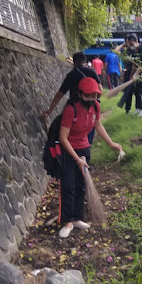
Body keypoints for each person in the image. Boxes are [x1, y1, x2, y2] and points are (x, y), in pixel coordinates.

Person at [57, 77, 123, 238]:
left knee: (81, 185)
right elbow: (63, 138)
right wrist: (77, 159)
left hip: (84, 149)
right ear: (80, 94)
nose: (92, 100)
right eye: (88, 96)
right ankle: (67, 222)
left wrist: (111, 143)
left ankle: (77, 218)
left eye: (94, 96)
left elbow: (97, 125)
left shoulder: (96, 107)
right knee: (69, 186)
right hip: (68, 151)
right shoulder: (70, 110)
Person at [41, 52, 101, 119]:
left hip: (74, 108)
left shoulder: (70, 75)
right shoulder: (92, 72)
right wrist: (91, 98)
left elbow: (59, 95)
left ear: (74, 62)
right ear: (84, 61)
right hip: (90, 107)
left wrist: (50, 110)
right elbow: (100, 90)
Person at [113, 33, 139, 113]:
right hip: (128, 73)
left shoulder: (135, 50)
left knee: (137, 91)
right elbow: (115, 51)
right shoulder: (126, 51)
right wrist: (124, 44)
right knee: (128, 92)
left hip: (136, 72)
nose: (129, 44)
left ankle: (139, 108)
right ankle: (127, 109)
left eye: (130, 42)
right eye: (127, 42)